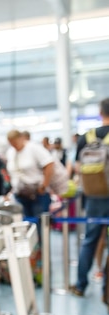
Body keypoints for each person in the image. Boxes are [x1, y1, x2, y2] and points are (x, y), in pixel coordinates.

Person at [70, 98, 109, 297]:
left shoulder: (87, 136)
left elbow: (77, 167)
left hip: (94, 196)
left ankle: (80, 285)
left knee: (90, 239)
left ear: (100, 112)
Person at [6, 130, 54, 218]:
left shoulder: (33, 148)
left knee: (40, 224)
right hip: (20, 194)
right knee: (25, 224)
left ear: (21, 138)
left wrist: (44, 185)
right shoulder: (11, 152)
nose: (14, 145)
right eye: (11, 143)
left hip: (37, 194)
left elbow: (49, 164)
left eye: (15, 142)